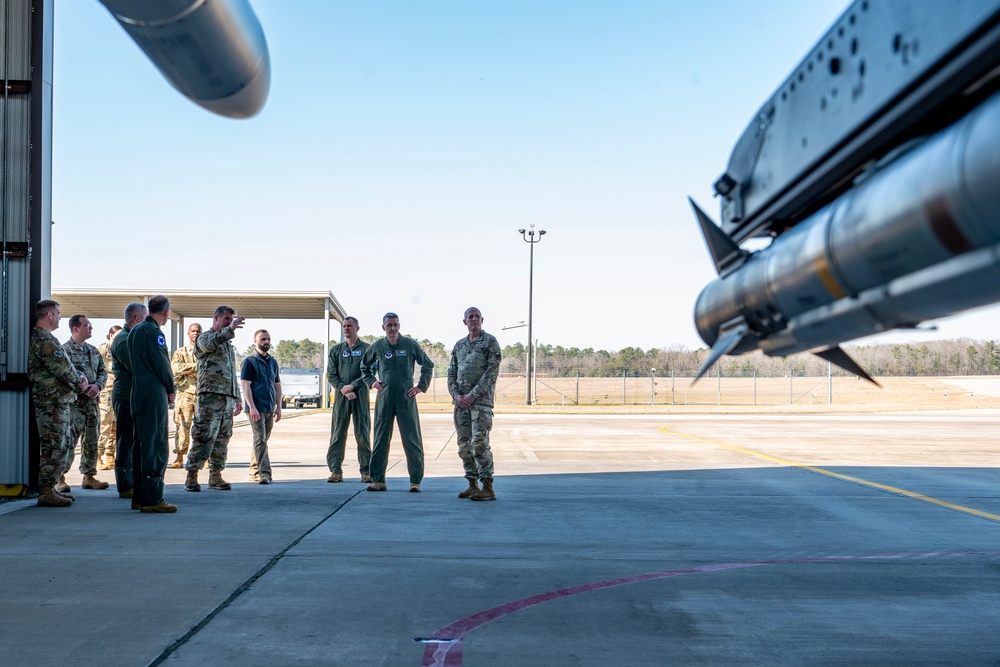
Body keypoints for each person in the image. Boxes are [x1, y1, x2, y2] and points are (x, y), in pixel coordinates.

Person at [360, 312, 433, 492]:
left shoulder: (409, 345)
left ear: (399, 326)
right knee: (380, 438)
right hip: (384, 396)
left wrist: (420, 387)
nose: (392, 328)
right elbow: (364, 367)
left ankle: (415, 480)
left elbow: (428, 365)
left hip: (406, 396)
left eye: (395, 325)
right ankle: (378, 479)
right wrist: (372, 382)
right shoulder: (377, 346)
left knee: (411, 438)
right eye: (389, 325)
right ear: (383, 327)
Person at [27, 300, 89, 507]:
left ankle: (50, 487)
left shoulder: (45, 338)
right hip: (51, 402)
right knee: (54, 445)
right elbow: (63, 367)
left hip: (56, 400)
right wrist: (80, 381)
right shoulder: (45, 340)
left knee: (59, 444)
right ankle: (46, 490)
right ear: (50, 316)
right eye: (58, 313)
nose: (60, 317)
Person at [185, 306, 244, 492]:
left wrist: (237, 398)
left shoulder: (227, 345)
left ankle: (216, 475)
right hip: (210, 396)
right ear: (216, 318)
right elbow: (209, 344)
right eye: (226, 318)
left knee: (222, 437)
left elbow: (231, 374)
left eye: (230, 319)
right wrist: (230, 330)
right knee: (204, 435)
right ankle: (192, 475)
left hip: (226, 397)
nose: (229, 322)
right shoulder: (204, 338)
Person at [127, 295, 178, 513]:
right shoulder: (154, 332)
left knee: (139, 445)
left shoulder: (135, 331)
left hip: (137, 391)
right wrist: (171, 388)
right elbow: (162, 364)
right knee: (155, 444)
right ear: (166, 312)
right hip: (152, 392)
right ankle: (153, 498)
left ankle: (139, 495)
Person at [447, 307, 502, 501]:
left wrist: (472, 395)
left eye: (477, 316)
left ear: (482, 320)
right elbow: (451, 373)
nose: (474, 319)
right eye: (470, 317)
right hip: (461, 404)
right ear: (465, 322)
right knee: (464, 445)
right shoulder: (459, 345)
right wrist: (457, 395)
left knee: (479, 443)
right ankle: (472, 484)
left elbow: (491, 373)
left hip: (480, 404)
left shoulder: (490, 342)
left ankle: (487, 486)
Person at [61, 314, 110, 491]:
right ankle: (60, 478)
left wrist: (97, 385)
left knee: (91, 440)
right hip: (74, 404)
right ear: (76, 328)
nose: (90, 328)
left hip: (92, 403)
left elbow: (103, 372)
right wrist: (79, 386)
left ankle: (89, 476)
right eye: (87, 325)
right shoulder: (64, 350)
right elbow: (61, 375)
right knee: (68, 441)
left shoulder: (93, 350)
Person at [326, 316, 372, 484]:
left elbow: (370, 372)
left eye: (349, 326)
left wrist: (353, 386)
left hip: (360, 397)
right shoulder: (336, 350)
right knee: (338, 434)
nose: (346, 328)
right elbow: (331, 374)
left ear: (357, 328)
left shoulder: (368, 349)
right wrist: (343, 389)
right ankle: (335, 470)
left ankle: (366, 471)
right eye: (344, 326)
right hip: (341, 397)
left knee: (363, 433)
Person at [110, 302, 148, 504]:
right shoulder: (123, 339)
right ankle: (124, 485)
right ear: (138, 318)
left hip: (132, 394)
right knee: (125, 439)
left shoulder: (130, 337)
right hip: (125, 395)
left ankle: (131, 481)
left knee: (133, 439)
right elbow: (136, 366)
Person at [240, 329, 282, 484]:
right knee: (260, 439)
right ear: (255, 341)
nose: (266, 342)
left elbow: (277, 385)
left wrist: (278, 407)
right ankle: (265, 473)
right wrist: (251, 407)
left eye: (268, 339)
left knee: (261, 441)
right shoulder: (249, 362)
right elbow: (245, 385)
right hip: (255, 408)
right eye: (263, 339)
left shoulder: (273, 362)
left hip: (269, 407)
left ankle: (253, 471)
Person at [169, 322, 202, 468]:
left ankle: (203, 457)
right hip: (185, 393)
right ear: (188, 333)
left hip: (202, 394)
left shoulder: (206, 351)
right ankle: (180, 456)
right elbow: (175, 369)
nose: (196, 333)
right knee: (182, 426)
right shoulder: (180, 352)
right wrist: (195, 366)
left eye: (198, 331)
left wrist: (187, 369)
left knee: (203, 428)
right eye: (193, 331)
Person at [97, 326, 121, 470]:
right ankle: (98, 456)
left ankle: (110, 455)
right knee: (105, 423)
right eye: (116, 335)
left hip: (118, 390)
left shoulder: (124, 349)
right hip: (105, 390)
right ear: (110, 335)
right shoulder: (101, 350)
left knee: (116, 425)